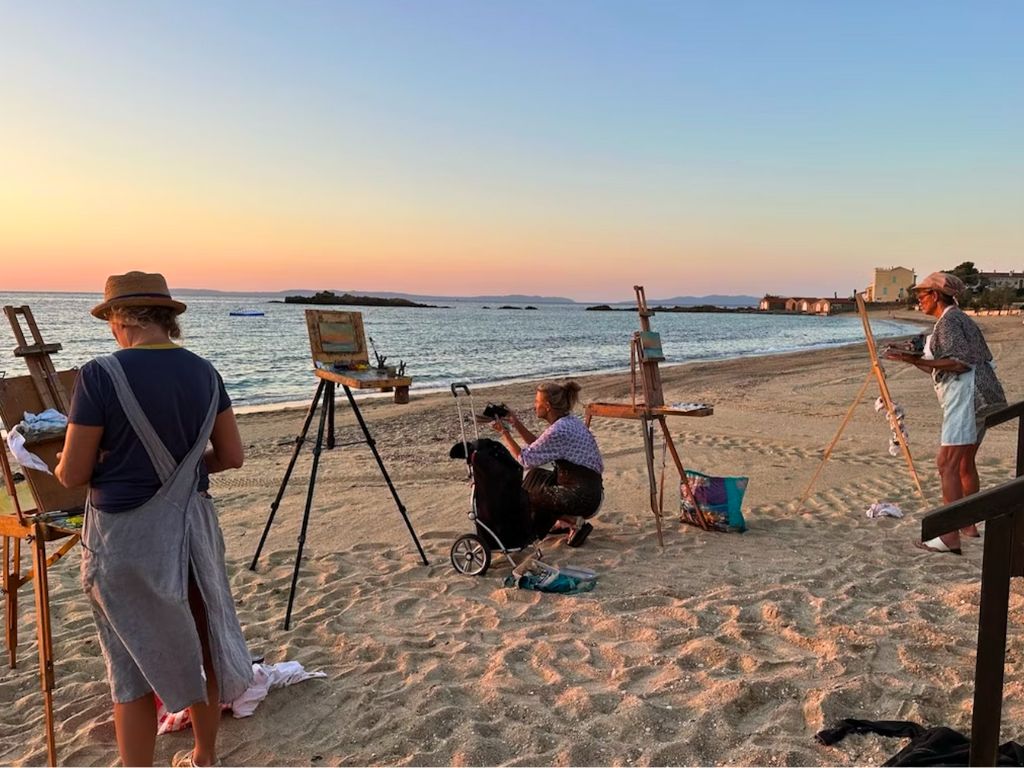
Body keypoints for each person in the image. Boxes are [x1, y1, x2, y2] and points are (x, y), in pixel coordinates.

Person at [55, 271, 253, 767]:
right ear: (166, 319)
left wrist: (64, 462)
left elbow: (73, 473)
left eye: (110, 322)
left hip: (126, 537)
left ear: (120, 318)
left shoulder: (99, 375)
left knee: (131, 659)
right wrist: (181, 475)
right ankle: (204, 754)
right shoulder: (206, 372)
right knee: (199, 636)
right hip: (192, 527)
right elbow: (231, 455)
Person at [885, 271, 1007, 555]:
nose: (918, 301)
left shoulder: (950, 321)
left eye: (921, 295)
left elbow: (960, 363)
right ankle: (968, 525)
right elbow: (948, 362)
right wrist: (910, 359)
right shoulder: (960, 318)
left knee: (947, 465)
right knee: (964, 462)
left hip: (967, 396)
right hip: (983, 396)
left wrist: (915, 359)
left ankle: (950, 536)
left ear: (936, 295)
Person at [491, 380, 604, 547]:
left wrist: (504, 433)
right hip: (591, 491)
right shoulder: (568, 421)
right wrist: (516, 424)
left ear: (548, 406)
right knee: (536, 476)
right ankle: (552, 523)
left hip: (584, 497)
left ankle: (572, 521)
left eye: (537, 402)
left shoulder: (559, 430)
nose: (534, 405)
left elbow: (525, 459)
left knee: (528, 495)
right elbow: (539, 446)